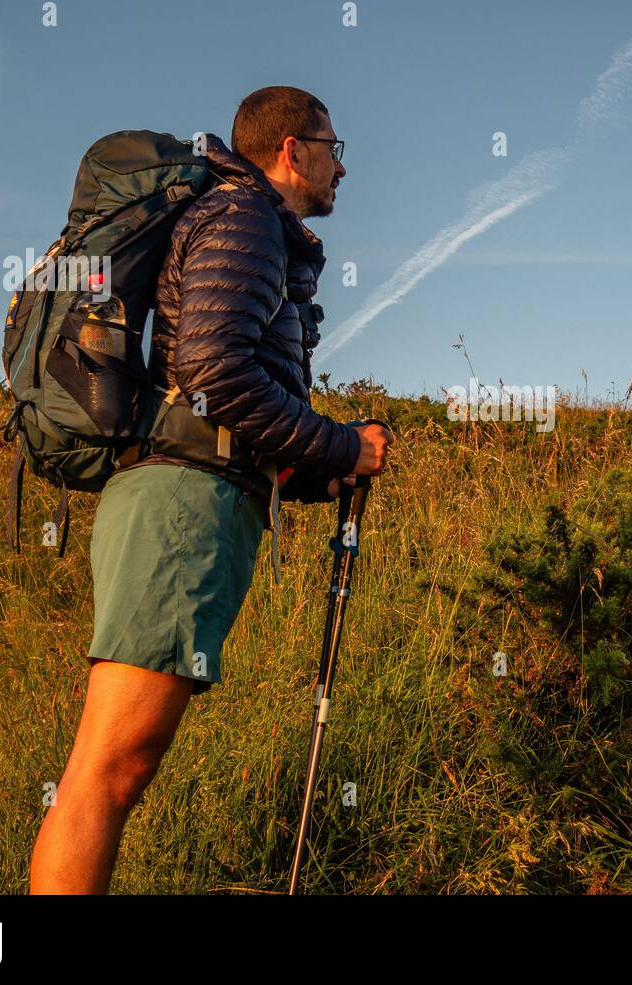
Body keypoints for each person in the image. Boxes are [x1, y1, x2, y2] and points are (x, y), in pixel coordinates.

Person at [29, 86, 391, 894]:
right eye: (335, 147)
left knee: (115, 767)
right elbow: (215, 375)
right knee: (108, 771)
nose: (343, 168)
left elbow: (232, 392)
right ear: (293, 149)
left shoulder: (245, 221)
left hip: (187, 501)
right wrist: (341, 443)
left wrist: (320, 467)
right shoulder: (246, 218)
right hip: (179, 511)